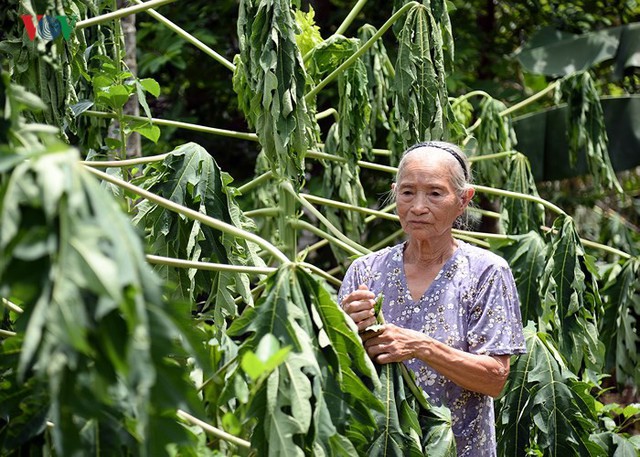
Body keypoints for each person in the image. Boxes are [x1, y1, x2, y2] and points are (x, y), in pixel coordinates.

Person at [338, 141, 526, 457]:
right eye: (408, 192)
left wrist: (422, 347)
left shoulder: (486, 272)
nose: (418, 206)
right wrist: (344, 329)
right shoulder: (365, 271)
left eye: (435, 194)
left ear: (464, 200)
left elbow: (495, 379)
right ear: (394, 192)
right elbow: (337, 371)